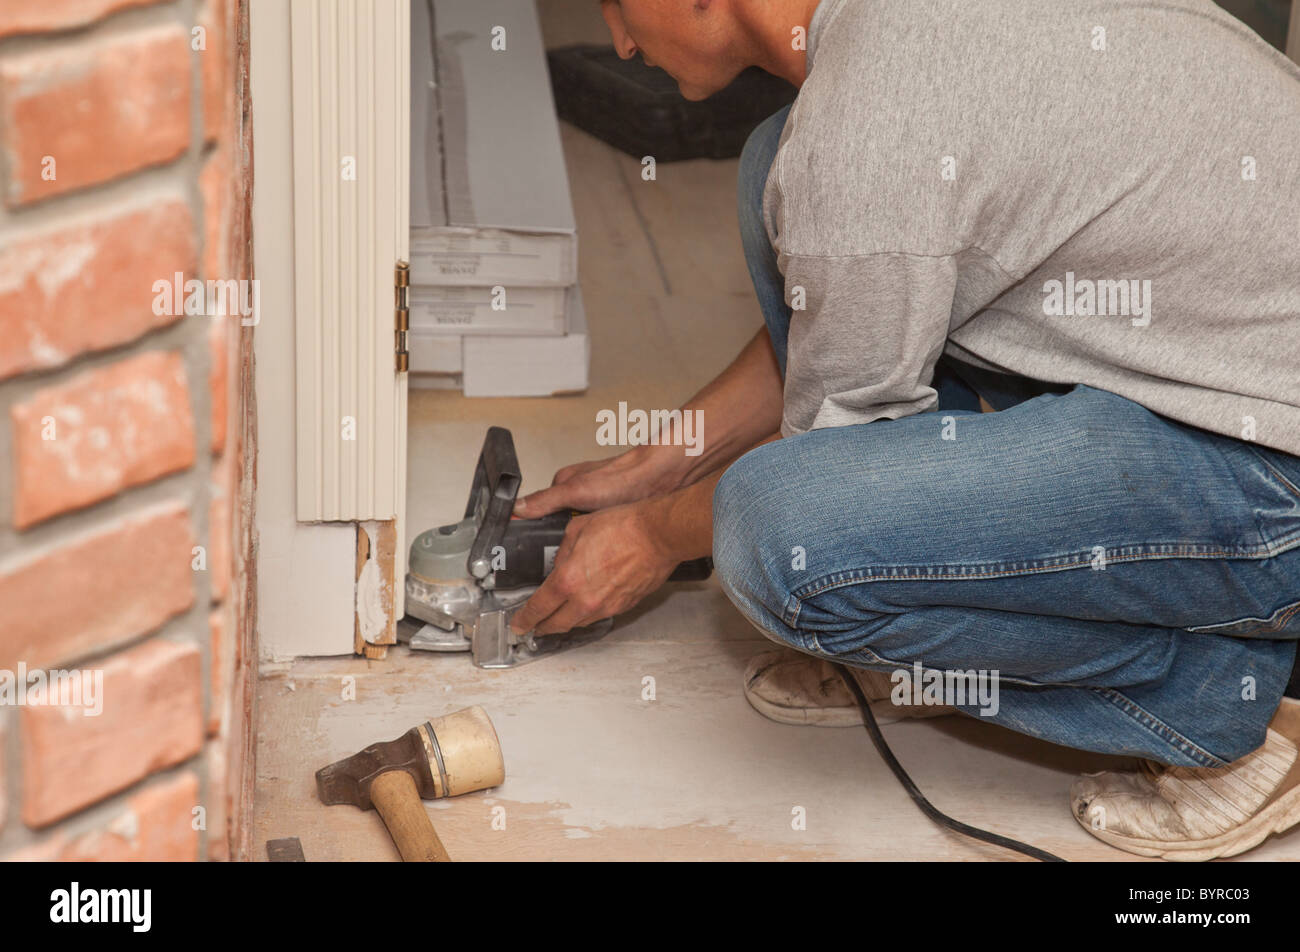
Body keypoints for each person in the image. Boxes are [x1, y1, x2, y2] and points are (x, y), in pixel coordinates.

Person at [510, 0, 1300, 860]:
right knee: (775, 167)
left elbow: (851, 295)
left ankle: (1226, 710)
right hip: (1229, 377)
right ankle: (929, 604)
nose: (620, 41)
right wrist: (655, 466)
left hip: (1269, 474)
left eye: (617, 7)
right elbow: (860, 282)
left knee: (781, 540)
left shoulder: (869, 130)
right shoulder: (885, 45)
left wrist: (655, 536)